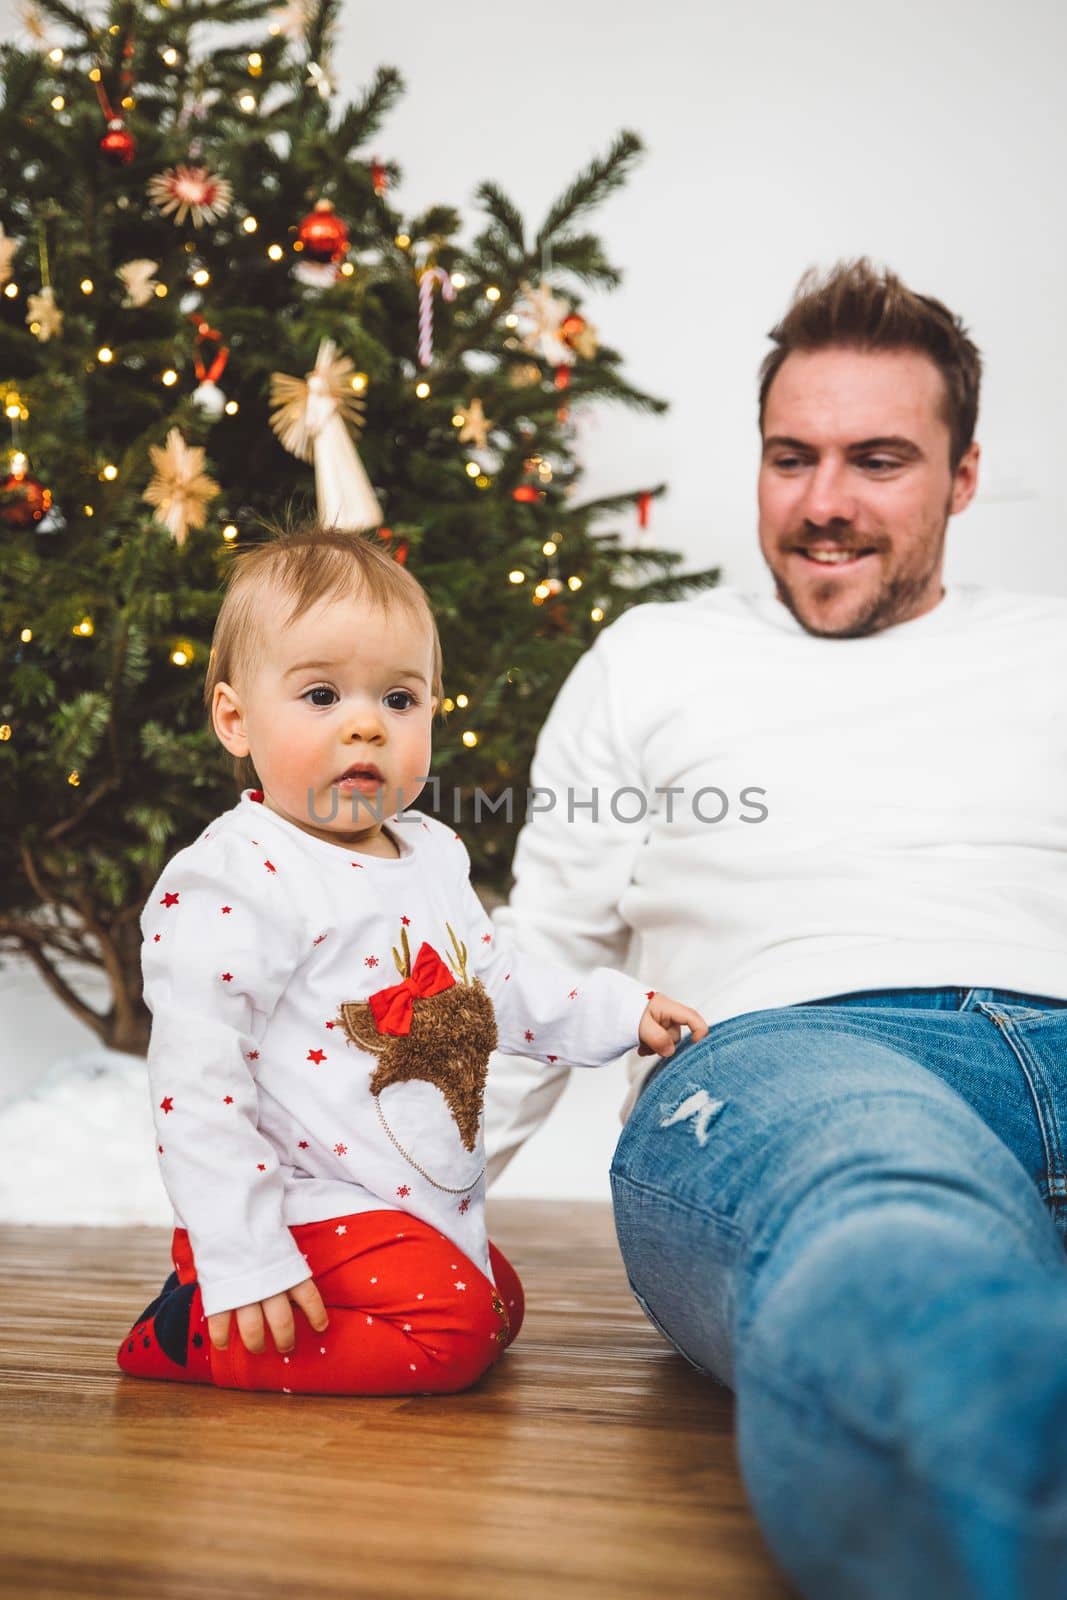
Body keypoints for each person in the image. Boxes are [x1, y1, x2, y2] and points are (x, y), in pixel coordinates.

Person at [483, 259, 1067, 1598]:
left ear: (961, 478)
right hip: (791, 1057)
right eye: (788, 458)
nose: (821, 507)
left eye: (876, 462)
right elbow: (547, 954)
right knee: (887, 1220)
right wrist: (404, 1201)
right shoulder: (653, 655)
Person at [116, 527, 706, 1396]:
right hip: (299, 1200)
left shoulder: (427, 854)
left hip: (400, 1191)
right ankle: (191, 1330)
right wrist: (242, 1251)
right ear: (235, 720)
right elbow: (197, 1087)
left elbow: (497, 984)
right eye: (320, 694)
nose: (365, 723)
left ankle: (301, 1300)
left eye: (398, 700)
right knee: (454, 1333)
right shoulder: (235, 880)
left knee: (499, 1303)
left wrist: (617, 1013)